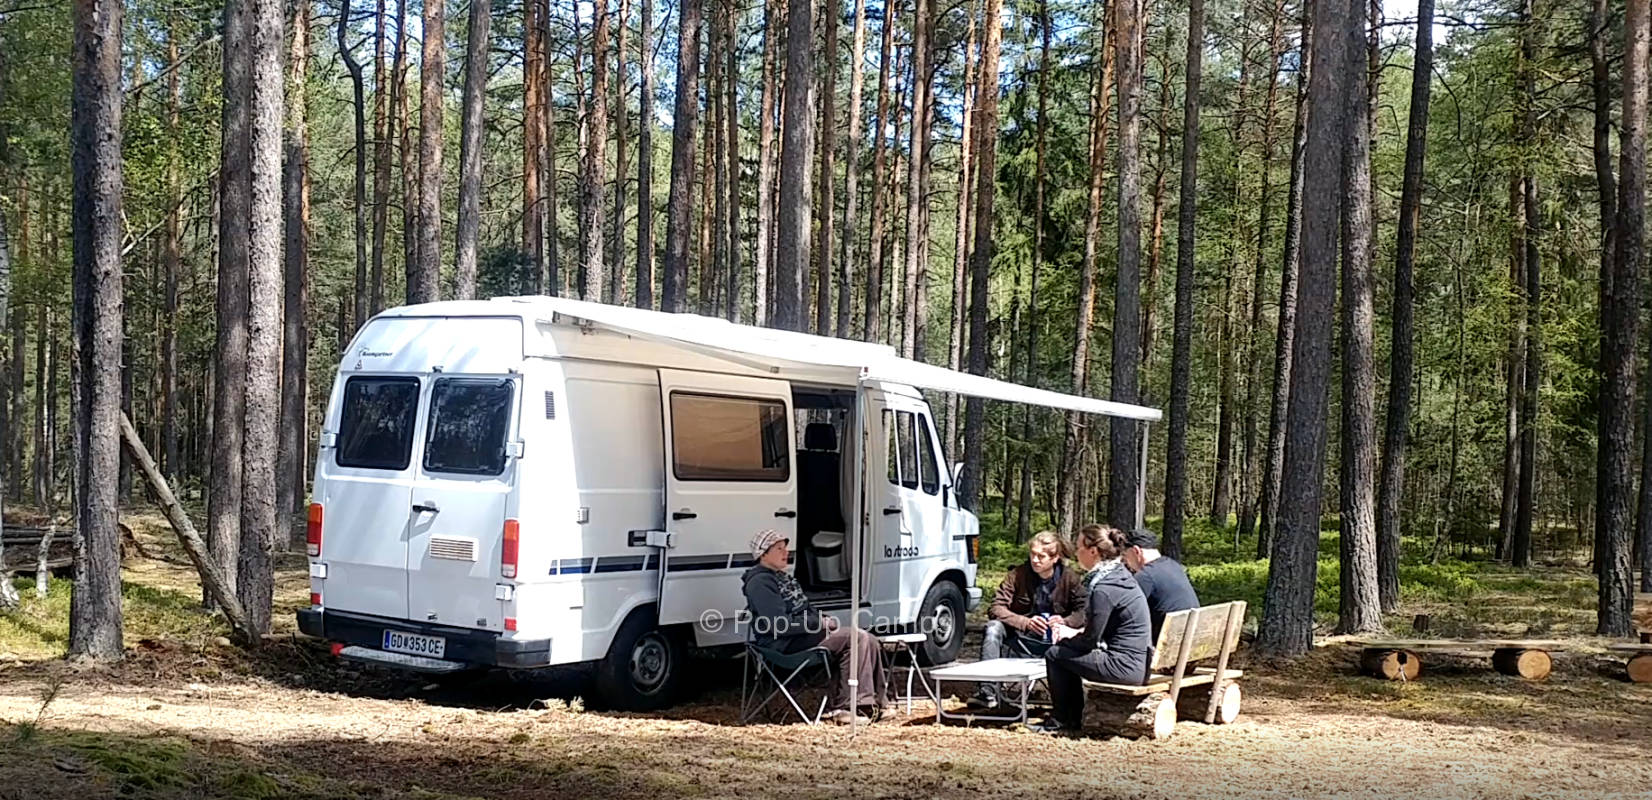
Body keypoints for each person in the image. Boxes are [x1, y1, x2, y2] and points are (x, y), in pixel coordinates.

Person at [741, 529, 887, 725]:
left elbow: (806, 610)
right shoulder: (760, 582)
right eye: (779, 549)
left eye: (786, 548)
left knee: (868, 638)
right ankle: (847, 708)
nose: (786, 552)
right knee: (856, 638)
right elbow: (779, 625)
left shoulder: (784, 578)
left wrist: (823, 619)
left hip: (802, 637)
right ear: (763, 554)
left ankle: (876, 704)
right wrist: (819, 623)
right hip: (783, 645)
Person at [1035, 524, 1152, 735]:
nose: (1076, 553)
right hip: (1139, 663)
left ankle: (1063, 719)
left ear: (1093, 551)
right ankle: (1073, 716)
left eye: (1079, 547)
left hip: (1124, 666)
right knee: (1064, 652)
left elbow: (1090, 640)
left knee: (1054, 654)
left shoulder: (1104, 588)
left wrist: (1065, 641)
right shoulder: (1120, 575)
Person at [971, 531, 1086, 709]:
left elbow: (1084, 610)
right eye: (1032, 554)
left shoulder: (1069, 578)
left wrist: (1065, 621)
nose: (1035, 560)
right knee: (993, 628)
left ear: (1054, 558)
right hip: (1021, 637)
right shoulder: (1017, 574)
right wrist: (1025, 622)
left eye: (1041, 556)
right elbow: (996, 607)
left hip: (1056, 640)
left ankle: (1067, 701)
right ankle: (987, 691)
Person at [1119, 527, 1200, 642]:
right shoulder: (1173, 565)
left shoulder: (1145, 576)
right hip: (1191, 640)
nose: (1126, 562)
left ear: (1136, 551)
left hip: (1165, 646)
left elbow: (1123, 614)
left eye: (1125, 556)